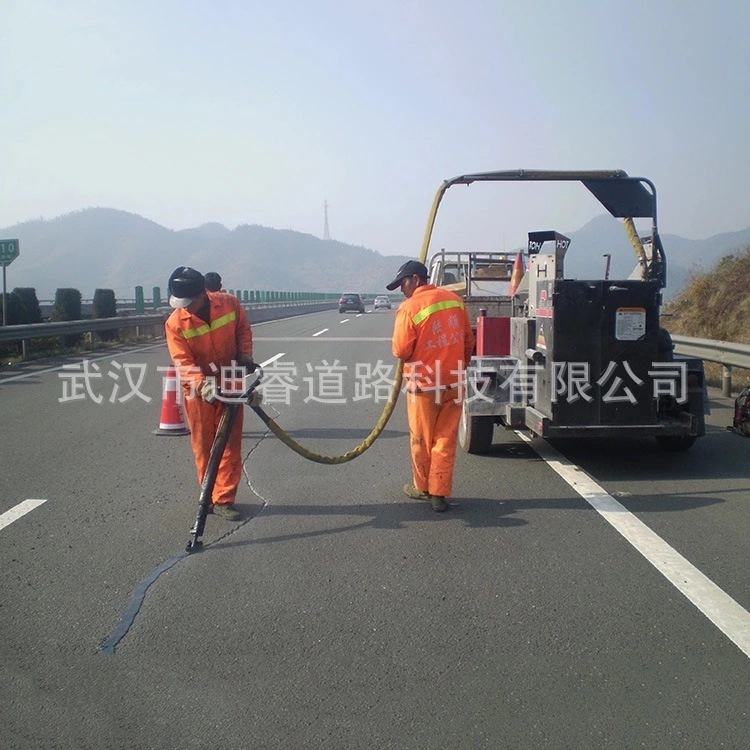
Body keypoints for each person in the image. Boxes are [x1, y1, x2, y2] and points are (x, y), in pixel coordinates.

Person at [164, 266, 255, 521]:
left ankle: (224, 499)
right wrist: (202, 384)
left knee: (229, 443)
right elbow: (182, 361)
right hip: (198, 391)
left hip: (229, 381)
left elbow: (243, 329)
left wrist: (245, 354)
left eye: (189, 302)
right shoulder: (175, 323)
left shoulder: (229, 304)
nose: (186, 308)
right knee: (204, 446)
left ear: (202, 294)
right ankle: (208, 495)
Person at [387, 260, 475, 512]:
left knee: (421, 440)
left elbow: (401, 350)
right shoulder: (455, 301)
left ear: (415, 279)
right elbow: (468, 341)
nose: (402, 289)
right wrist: (458, 366)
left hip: (423, 386)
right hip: (453, 383)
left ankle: (423, 488)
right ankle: (439, 493)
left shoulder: (409, 307)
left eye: (403, 283)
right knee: (445, 440)